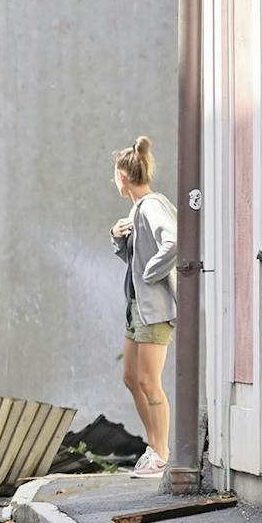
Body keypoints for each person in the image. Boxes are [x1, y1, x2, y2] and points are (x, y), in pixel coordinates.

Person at [109, 135, 177, 477]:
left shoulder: (151, 206)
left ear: (123, 177)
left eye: (114, 175)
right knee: (131, 378)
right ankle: (154, 448)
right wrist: (119, 238)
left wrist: (151, 275)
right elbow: (134, 261)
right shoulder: (138, 210)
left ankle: (162, 452)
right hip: (137, 307)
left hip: (154, 309)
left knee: (150, 382)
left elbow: (174, 242)